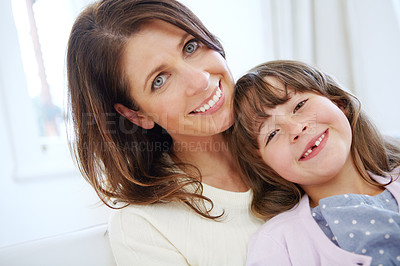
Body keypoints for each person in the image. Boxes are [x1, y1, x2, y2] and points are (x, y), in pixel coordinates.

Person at [66, 0, 264, 265]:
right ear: (135, 115)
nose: (200, 81)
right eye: (159, 80)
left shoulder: (294, 132)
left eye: (190, 47)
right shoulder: (143, 226)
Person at [229, 60, 400, 265]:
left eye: (299, 105)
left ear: (339, 103)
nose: (296, 128)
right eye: (272, 134)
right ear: (267, 168)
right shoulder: (277, 243)